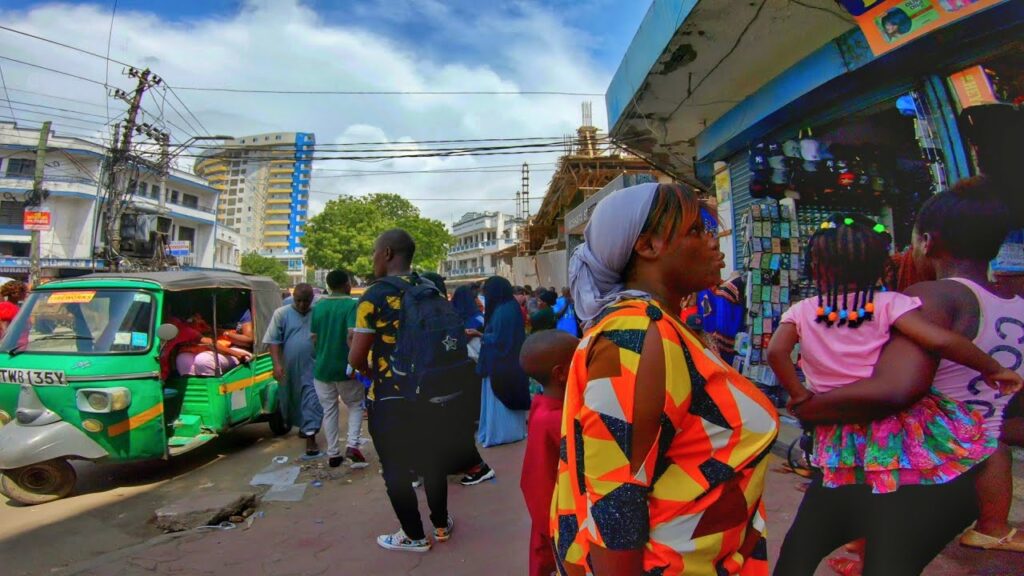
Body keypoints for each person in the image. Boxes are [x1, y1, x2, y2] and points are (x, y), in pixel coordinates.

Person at [779, 179, 1024, 574]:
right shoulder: (1015, 304)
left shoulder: (934, 297)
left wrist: (813, 407)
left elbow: (896, 389)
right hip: (969, 472)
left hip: (911, 469)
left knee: (799, 556)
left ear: (927, 241)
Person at [555, 182, 778, 576]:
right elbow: (615, 505)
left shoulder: (664, 328)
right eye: (696, 230)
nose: (714, 241)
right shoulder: (637, 334)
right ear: (648, 246)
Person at [769, 214, 1020, 494]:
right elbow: (940, 341)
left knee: (849, 476)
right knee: (982, 448)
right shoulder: (890, 304)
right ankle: (986, 526)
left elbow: (777, 351)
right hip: (886, 417)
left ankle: (856, 534)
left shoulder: (801, 310)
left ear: (814, 268)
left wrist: (798, 393)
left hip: (834, 419)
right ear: (883, 268)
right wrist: (992, 368)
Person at [348, 229, 453, 553]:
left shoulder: (374, 296)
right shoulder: (430, 288)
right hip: (433, 390)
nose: (373, 258)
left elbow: (356, 358)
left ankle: (413, 535)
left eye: (375, 252)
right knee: (433, 460)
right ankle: (441, 524)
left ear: (389, 253)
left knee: (395, 466)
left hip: (392, 395)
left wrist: (371, 374)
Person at [519, 329, 578, 576]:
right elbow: (541, 483)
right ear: (561, 374)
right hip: (558, 525)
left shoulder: (545, 405)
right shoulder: (554, 421)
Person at [311, 269, 368, 469]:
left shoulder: (318, 306)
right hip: (344, 368)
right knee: (354, 405)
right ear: (347, 284)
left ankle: (333, 453)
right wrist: (355, 364)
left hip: (322, 369)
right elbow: (352, 336)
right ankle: (352, 445)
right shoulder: (352, 305)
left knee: (329, 410)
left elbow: (314, 338)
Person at [264, 284, 322, 458]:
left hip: (314, 365)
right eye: (298, 300)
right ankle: (305, 426)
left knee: (312, 398)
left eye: (306, 301)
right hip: (289, 367)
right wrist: (276, 365)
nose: (302, 305)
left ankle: (311, 437)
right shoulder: (281, 314)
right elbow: (273, 341)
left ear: (312, 299)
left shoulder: (318, 313)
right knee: (291, 400)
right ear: (293, 297)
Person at [476, 276, 530, 448]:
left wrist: (481, 336)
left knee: (499, 403)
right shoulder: (507, 307)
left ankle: (502, 434)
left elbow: (501, 340)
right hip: (506, 365)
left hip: (502, 366)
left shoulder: (504, 310)